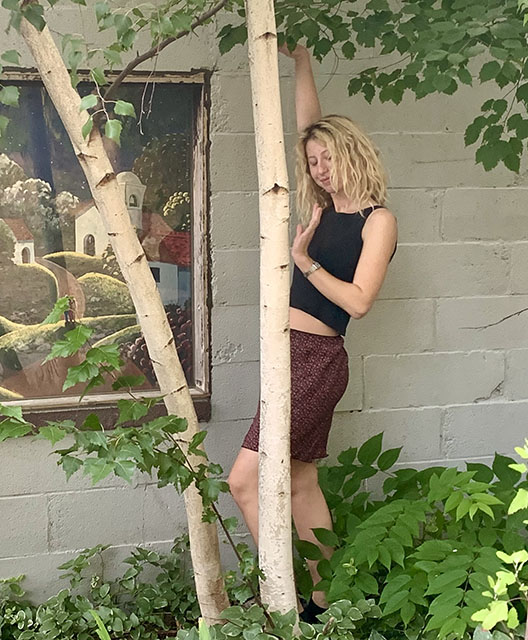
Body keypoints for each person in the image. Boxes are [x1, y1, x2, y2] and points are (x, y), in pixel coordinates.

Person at [226, 43, 399, 620]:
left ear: (352, 153)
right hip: (288, 352)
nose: (321, 169)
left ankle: (286, 593)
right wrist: (301, 59)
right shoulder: (319, 206)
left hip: (318, 359)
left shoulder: (378, 220)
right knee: (300, 483)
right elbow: (309, 125)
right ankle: (325, 602)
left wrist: (304, 262)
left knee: (244, 481)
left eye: (328, 159)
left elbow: (360, 301)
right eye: (314, 161)